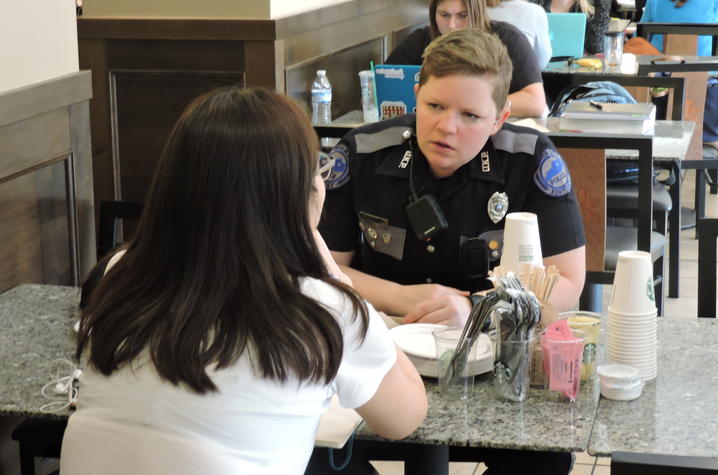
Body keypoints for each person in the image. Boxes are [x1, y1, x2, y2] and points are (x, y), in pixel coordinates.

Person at [59, 86, 428, 475]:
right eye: (315, 170)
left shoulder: (122, 272)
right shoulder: (321, 306)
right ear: (295, 193)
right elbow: (404, 417)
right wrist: (335, 277)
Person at [319, 28, 583, 475]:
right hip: (377, 358)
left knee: (547, 457)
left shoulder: (529, 159)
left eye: (471, 116)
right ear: (416, 95)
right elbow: (323, 270)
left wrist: (475, 308)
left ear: (499, 119)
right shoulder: (362, 153)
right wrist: (406, 299)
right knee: (315, 450)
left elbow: (569, 283)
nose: (447, 127)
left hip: (492, 362)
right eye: (434, 106)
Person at [385, 0, 548, 118]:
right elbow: (383, 85)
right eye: (444, 15)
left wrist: (473, 104)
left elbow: (535, 102)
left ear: (477, 13)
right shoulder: (419, 40)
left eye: (462, 16)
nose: (452, 25)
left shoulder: (510, 39)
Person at [639, 0, 718, 149]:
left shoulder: (655, 2)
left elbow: (640, 37)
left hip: (658, 95)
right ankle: (707, 138)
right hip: (702, 96)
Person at [486, 0, 553, 68]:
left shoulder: (481, 10)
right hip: (521, 76)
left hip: (487, 74)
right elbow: (542, 61)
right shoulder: (535, 12)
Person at [532, 0, 611, 55]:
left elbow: (597, 47)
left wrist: (602, 6)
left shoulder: (587, 12)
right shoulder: (537, 7)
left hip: (576, 74)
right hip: (540, 72)